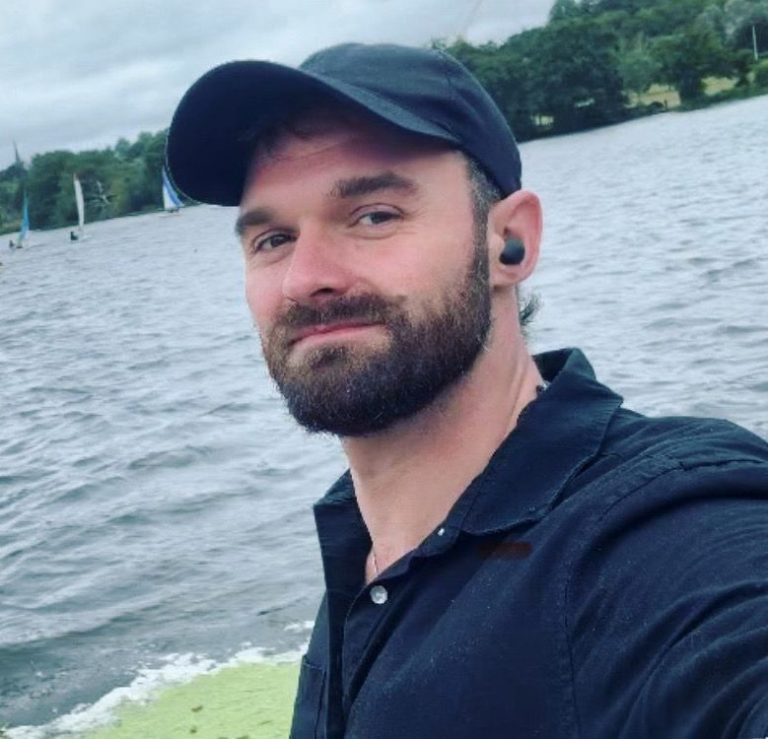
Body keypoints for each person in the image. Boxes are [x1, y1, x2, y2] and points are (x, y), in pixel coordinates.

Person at [167, 43, 768, 738]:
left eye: (374, 215)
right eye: (272, 239)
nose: (305, 279)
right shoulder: (364, 549)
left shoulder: (653, 532)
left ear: (510, 241)